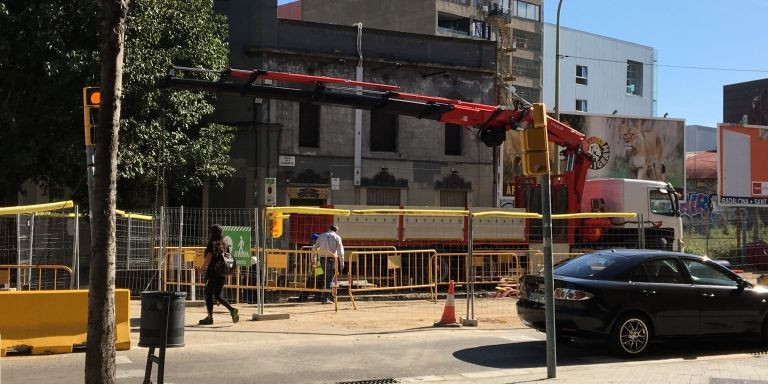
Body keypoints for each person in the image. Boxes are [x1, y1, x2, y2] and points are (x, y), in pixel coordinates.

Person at [199, 224, 239, 325]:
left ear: (212, 233)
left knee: (208, 294)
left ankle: (210, 318)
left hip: (212, 273)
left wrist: (202, 268)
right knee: (217, 295)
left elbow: (208, 258)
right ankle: (231, 309)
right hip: (222, 274)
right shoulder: (224, 244)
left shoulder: (212, 243)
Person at [312, 225, 344, 304]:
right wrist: (342, 262)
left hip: (322, 258)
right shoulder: (337, 237)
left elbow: (314, 247)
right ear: (335, 231)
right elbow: (340, 251)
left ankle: (326, 296)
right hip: (331, 259)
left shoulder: (322, 235)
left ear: (329, 229)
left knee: (325, 277)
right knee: (329, 278)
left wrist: (313, 258)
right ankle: (325, 298)